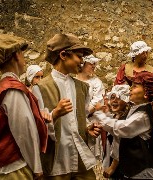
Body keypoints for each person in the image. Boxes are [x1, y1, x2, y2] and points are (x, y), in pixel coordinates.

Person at [32, 33, 102, 179]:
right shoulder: (41, 88)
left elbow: (81, 118)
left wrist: (87, 128)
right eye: (79, 56)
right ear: (64, 55)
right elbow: (37, 129)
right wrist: (55, 114)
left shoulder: (83, 88)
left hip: (80, 157)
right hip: (57, 160)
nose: (82, 62)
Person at [0, 34, 48, 179]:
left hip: (7, 167)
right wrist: (37, 168)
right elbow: (24, 132)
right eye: (21, 52)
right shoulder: (12, 88)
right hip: (13, 169)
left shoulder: (5, 85)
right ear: (16, 55)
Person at [93, 71, 153, 179]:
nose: (130, 89)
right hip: (134, 170)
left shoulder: (142, 115)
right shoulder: (134, 109)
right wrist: (106, 113)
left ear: (146, 93)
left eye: (134, 87)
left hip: (142, 171)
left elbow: (121, 128)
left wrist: (98, 114)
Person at [76, 54, 105, 159]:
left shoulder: (97, 83)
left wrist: (81, 113)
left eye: (94, 64)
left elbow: (97, 103)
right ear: (83, 64)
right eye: (91, 64)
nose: (93, 66)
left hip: (92, 122)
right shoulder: (73, 81)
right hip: (76, 123)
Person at [102, 84, 131, 180]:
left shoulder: (124, 120)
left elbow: (118, 144)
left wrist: (112, 167)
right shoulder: (115, 116)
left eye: (118, 98)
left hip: (122, 164)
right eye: (112, 97)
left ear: (126, 101)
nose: (114, 101)